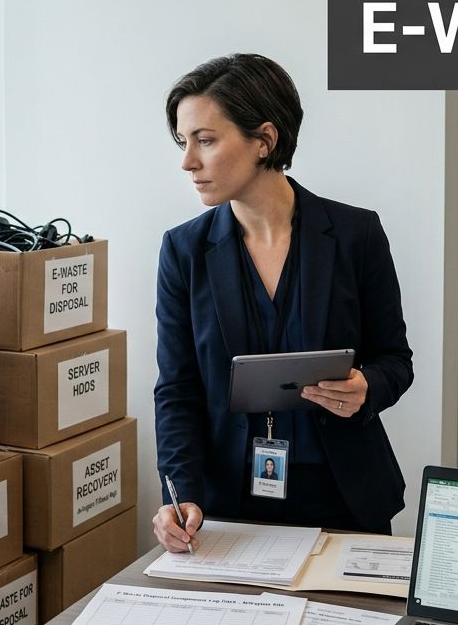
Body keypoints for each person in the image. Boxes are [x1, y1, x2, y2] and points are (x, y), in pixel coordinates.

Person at [153, 53, 414, 554]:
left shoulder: (356, 235)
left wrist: (366, 388)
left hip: (344, 498)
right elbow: (177, 390)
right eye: (183, 142)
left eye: (205, 140)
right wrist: (179, 493)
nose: (188, 162)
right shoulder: (183, 251)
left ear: (265, 140)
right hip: (227, 505)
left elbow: (395, 360)